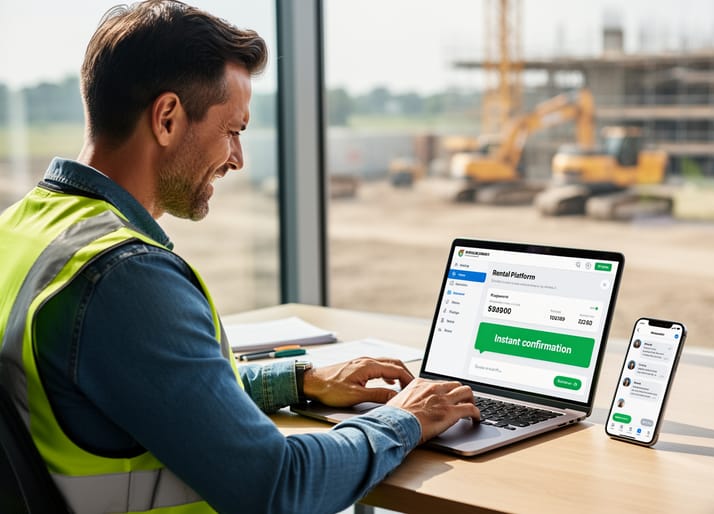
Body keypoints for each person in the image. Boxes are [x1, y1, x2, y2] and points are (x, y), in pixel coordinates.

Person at [0, 2, 479, 513]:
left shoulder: (22, 230)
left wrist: (299, 381)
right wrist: (403, 419)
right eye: (233, 131)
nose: (237, 159)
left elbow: (149, 388)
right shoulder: (123, 276)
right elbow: (278, 486)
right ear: (167, 118)